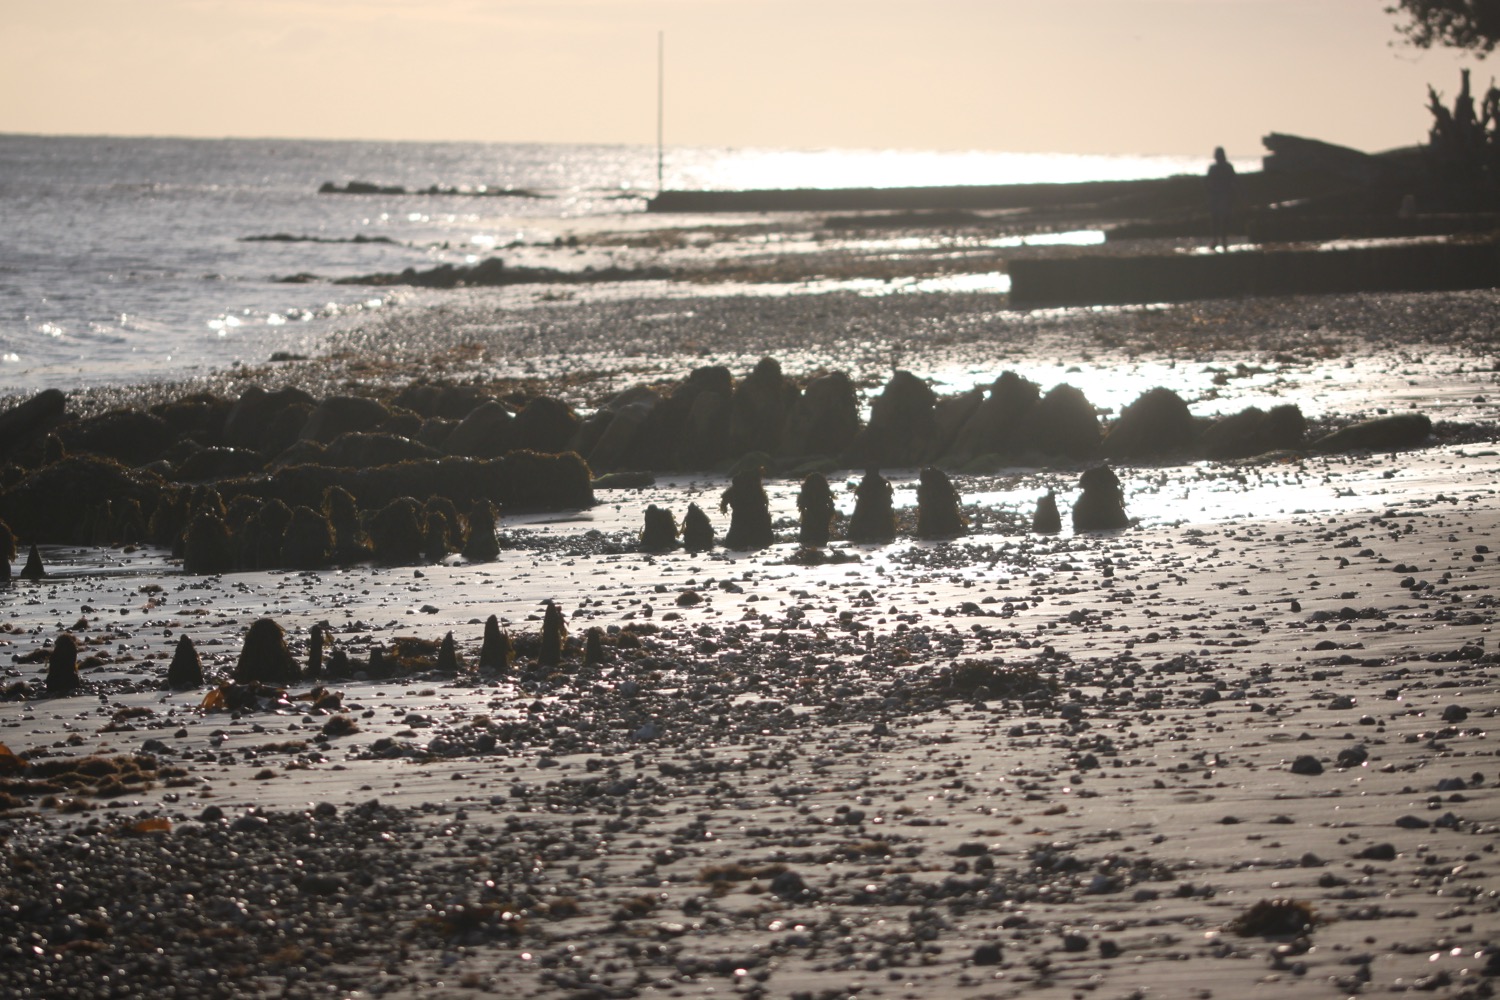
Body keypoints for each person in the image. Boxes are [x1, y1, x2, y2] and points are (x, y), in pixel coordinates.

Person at [1206, 147, 1236, 251]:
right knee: (1217, 219)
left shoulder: (1223, 168)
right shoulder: (1224, 167)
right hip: (1219, 196)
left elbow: (1234, 181)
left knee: (1221, 219)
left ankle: (1220, 240)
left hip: (1222, 196)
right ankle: (1219, 240)